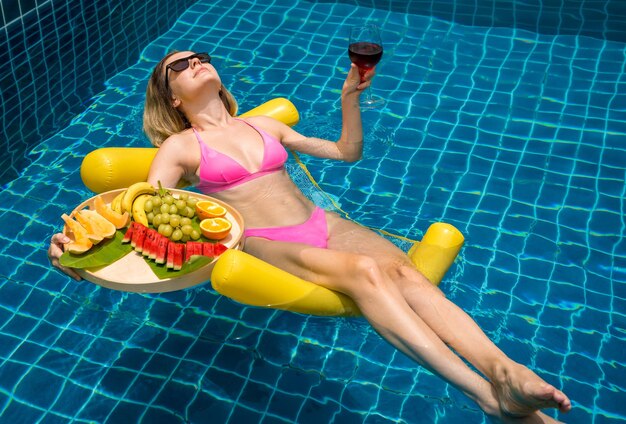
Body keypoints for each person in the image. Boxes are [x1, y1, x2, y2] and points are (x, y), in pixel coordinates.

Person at [49, 50, 571, 422]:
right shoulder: (181, 149)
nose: (195, 63)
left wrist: (350, 98)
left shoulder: (265, 127)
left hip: (323, 223)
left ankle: (505, 371)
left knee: (405, 272)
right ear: (172, 97)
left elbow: (347, 153)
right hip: (265, 239)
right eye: (179, 67)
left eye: (198, 56)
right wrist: (76, 254)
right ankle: (484, 395)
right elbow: (143, 215)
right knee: (368, 272)